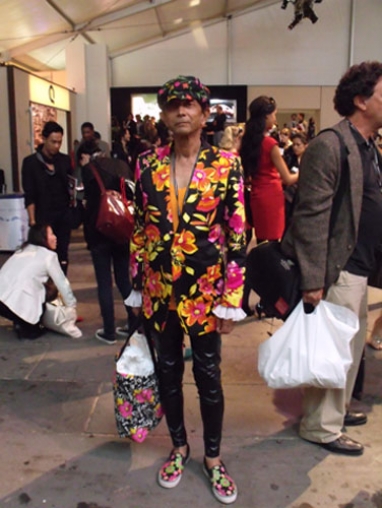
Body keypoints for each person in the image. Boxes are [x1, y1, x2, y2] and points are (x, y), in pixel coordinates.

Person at [125, 75, 246, 504]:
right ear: (163, 114)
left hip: (206, 295)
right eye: (173, 104)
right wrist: (136, 288)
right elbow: (140, 229)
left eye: (189, 104)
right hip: (159, 293)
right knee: (169, 374)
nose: (181, 111)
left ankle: (213, 458)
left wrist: (232, 301)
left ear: (203, 112)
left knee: (209, 377)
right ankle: (179, 447)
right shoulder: (146, 164)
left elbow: (236, 234)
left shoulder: (226, 165)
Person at [281, 60, 382, 456]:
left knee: (349, 349)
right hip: (338, 269)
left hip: (357, 265)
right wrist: (312, 280)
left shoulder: (367, 144)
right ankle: (321, 427)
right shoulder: (330, 144)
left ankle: (333, 413)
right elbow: (310, 217)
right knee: (333, 350)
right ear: (361, 100)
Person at [78, 140, 136, 345]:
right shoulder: (122, 166)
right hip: (121, 230)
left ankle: (109, 331)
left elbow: (84, 199)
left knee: (104, 282)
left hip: (99, 230)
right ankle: (133, 323)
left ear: (87, 155)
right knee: (123, 280)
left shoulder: (88, 170)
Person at [0, 224, 77, 339]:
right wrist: (72, 306)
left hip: (2, 300)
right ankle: (26, 324)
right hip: (15, 303)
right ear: (42, 238)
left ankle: (20, 322)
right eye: (51, 234)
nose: (55, 237)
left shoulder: (21, 250)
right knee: (34, 330)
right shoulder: (48, 256)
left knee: (35, 288)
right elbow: (62, 284)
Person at [22, 121, 73, 275]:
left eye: (59, 142)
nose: (56, 146)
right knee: (43, 256)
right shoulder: (31, 163)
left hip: (63, 215)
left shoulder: (63, 161)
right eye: (53, 142)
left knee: (62, 254)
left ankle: (60, 286)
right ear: (44, 139)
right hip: (43, 216)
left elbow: (71, 186)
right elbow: (29, 194)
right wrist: (32, 221)